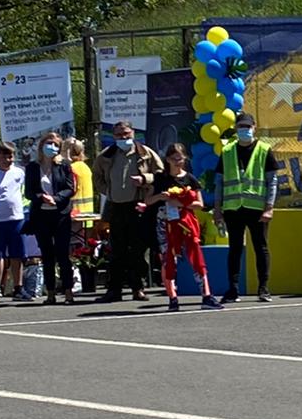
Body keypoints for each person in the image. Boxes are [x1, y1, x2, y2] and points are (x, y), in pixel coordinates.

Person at [145, 143, 222, 311]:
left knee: (195, 255)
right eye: (174, 159)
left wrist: (181, 202)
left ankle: (206, 295)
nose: (178, 162)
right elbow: (148, 200)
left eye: (180, 159)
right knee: (168, 259)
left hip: (186, 222)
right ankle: (172, 298)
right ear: (167, 160)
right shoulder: (160, 178)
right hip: (165, 223)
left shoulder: (190, 179)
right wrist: (160, 196)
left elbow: (200, 204)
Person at [213, 112, 278, 303]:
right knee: (234, 249)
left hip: (257, 208)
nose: (244, 130)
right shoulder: (227, 151)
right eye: (241, 127)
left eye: (247, 127)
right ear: (235, 128)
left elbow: (272, 181)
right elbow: (219, 182)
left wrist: (269, 207)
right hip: (233, 208)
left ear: (254, 127)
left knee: (261, 247)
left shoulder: (264, 149)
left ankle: (263, 288)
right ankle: (233, 289)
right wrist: (217, 208)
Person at [96, 121, 161, 303]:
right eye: (119, 135)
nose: (123, 138)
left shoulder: (145, 153)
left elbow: (160, 174)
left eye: (126, 134)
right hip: (116, 206)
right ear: (113, 136)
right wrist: (109, 191)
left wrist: (145, 179)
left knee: (138, 250)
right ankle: (114, 290)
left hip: (138, 206)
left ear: (133, 133)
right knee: (116, 250)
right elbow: (97, 177)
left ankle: (138, 288)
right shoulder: (106, 155)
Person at [24, 130, 77, 305]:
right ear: (41, 146)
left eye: (55, 145)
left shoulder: (64, 165)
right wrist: (41, 197)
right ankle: (51, 293)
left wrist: (56, 198)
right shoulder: (33, 167)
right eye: (49, 144)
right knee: (47, 255)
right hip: (41, 216)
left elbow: (70, 188)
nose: (52, 147)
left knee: (63, 254)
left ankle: (68, 291)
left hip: (60, 215)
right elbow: (29, 192)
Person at [0, 142, 27, 305]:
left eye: (10, 156)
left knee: (17, 255)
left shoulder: (19, 173)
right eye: (4, 157)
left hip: (16, 218)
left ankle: (18, 288)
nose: (8, 160)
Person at [65, 137, 98, 293]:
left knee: (73, 248)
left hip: (74, 213)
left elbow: (71, 189)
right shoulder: (85, 167)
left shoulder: (72, 168)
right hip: (87, 212)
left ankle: (74, 279)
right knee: (83, 247)